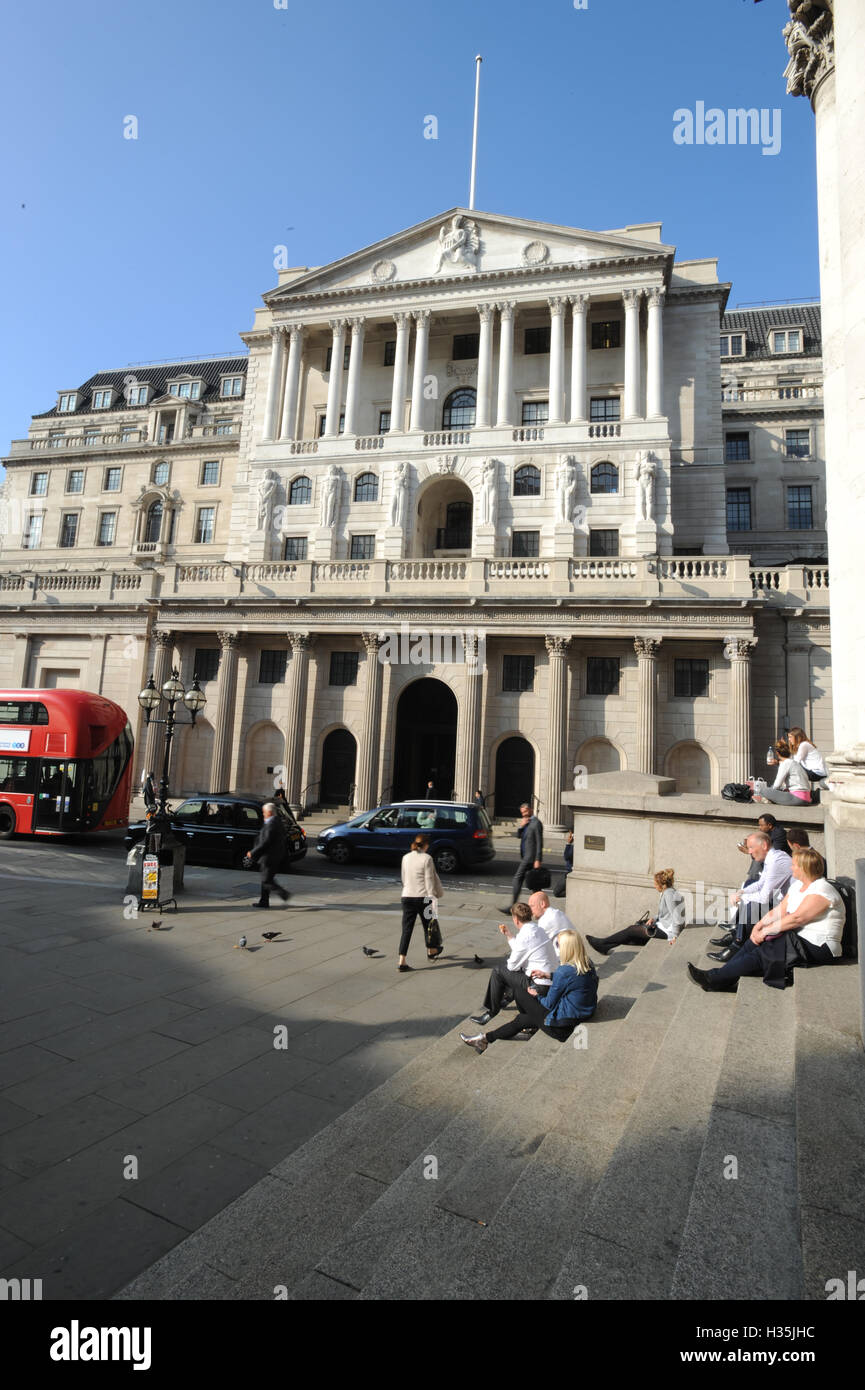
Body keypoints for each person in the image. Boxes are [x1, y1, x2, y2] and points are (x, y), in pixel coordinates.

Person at [688, 846, 845, 993]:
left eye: (794, 865)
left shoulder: (822, 889)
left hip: (820, 946)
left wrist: (767, 931)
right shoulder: (798, 886)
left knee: (764, 950)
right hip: (798, 939)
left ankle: (713, 978)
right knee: (753, 942)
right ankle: (722, 976)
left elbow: (797, 918)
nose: (791, 868)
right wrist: (760, 925)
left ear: (804, 868)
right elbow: (780, 910)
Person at [460, 930, 598, 1052]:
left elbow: (548, 1004)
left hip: (562, 1026)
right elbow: (575, 981)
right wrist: (549, 975)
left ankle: (492, 1034)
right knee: (521, 1020)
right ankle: (484, 1040)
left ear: (567, 949)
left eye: (559, 945)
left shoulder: (564, 971)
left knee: (520, 990)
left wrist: (536, 995)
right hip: (582, 1014)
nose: (558, 949)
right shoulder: (586, 962)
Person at [469, 901, 558, 1026]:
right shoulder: (539, 930)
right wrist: (509, 936)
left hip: (539, 985)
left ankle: (492, 1012)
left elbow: (512, 966)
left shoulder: (525, 935)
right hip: (551, 981)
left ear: (516, 919)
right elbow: (523, 949)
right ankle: (507, 997)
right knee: (516, 968)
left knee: (499, 970)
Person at [708, 830, 793, 959]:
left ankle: (737, 943)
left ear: (764, 845)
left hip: (790, 908)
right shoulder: (771, 857)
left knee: (754, 904)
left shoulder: (776, 860)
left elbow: (764, 897)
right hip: (782, 901)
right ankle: (736, 933)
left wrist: (742, 897)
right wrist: (741, 892)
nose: (749, 852)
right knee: (749, 886)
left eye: (751, 847)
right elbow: (760, 883)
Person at [586, 869, 686, 954]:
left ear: (661, 885)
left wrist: (674, 936)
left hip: (667, 931)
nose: (654, 886)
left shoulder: (669, 894)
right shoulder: (668, 891)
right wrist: (654, 918)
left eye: (655, 884)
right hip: (663, 925)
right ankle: (605, 946)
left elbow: (677, 917)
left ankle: (602, 943)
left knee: (631, 930)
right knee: (632, 934)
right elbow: (666, 913)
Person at [398, 833, 444, 971]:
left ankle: (402, 960)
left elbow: (404, 878)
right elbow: (429, 880)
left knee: (406, 930)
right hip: (423, 897)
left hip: (406, 896)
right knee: (428, 925)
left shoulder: (405, 857)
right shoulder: (427, 858)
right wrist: (432, 899)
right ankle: (431, 951)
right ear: (426, 845)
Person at [245, 802, 290, 909]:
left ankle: (284, 894)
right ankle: (264, 901)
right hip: (273, 855)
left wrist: (253, 852)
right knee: (266, 879)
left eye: (264, 812)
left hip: (269, 856)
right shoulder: (276, 821)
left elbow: (265, 842)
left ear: (269, 812)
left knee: (266, 880)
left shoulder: (272, 824)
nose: (263, 814)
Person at [504, 801, 543, 910]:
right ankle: (541, 906)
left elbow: (540, 842)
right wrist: (521, 826)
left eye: (525, 811)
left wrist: (538, 859)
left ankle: (512, 907)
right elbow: (519, 836)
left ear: (530, 810)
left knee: (517, 878)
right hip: (526, 856)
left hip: (530, 857)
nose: (524, 814)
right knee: (535, 885)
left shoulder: (536, 823)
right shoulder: (527, 822)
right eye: (522, 813)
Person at [755, 739, 812, 805]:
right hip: (807, 797)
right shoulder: (795, 763)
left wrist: (771, 791)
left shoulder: (785, 763)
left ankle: (768, 800)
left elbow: (776, 785)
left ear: (777, 753)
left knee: (763, 791)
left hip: (797, 798)